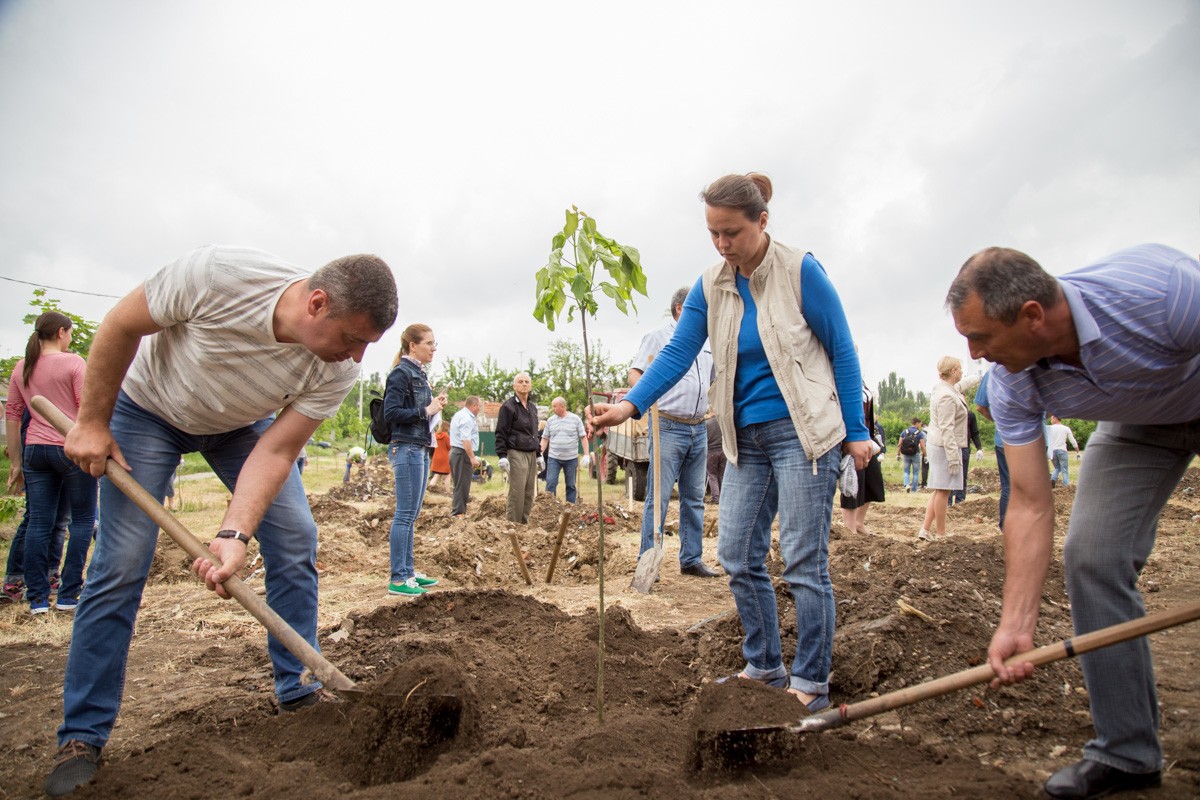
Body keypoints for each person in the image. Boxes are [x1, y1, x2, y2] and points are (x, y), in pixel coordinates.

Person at [47, 245, 397, 797]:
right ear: (316, 303)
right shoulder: (219, 277)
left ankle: (298, 689)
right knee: (122, 562)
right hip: (148, 412)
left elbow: (277, 451)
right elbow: (120, 324)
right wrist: (92, 421)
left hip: (241, 426)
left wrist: (234, 535)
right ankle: (81, 736)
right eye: (352, 338)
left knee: (296, 537)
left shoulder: (338, 369)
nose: (357, 355)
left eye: (366, 345)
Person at [590, 172, 871, 712]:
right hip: (745, 438)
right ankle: (764, 666)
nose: (722, 244)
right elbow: (677, 353)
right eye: (713, 233)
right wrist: (629, 405)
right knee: (737, 553)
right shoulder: (711, 284)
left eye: (732, 232)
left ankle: (811, 683)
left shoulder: (799, 271)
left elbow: (842, 348)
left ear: (762, 222)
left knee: (803, 560)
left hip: (802, 432)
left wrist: (856, 432)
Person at [947, 243, 1200, 800]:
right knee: (1092, 558)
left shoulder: (1165, 293)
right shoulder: (1013, 381)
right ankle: (1127, 753)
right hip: (1139, 426)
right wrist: (1016, 623)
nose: (974, 353)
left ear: (1032, 316)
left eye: (981, 337)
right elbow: (1030, 503)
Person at [4, 312, 97, 616]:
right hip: (70, 449)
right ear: (60, 332)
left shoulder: (22, 366)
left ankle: (38, 599)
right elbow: (87, 410)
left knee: (39, 523)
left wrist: (16, 462)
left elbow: (13, 415)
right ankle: (69, 594)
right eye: (69, 332)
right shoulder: (74, 363)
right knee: (82, 521)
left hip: (35, 451)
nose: (69, 337)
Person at [627, 287, 717, 577]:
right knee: (659, 497)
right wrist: (648, 394)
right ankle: (648, 561)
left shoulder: (707, 340)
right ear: (681, 308)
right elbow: (635, 373)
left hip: (698, 427)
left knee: (694, 498)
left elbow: (713, 379)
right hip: (667, 426)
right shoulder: (659, 337)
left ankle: (691, 559)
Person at [382, 325, 444, 598]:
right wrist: (425, 410)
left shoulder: (418, 373)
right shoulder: (401, 373)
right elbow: (391, 413)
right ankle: (398, 577)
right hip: (406, 447)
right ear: (412, 345)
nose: (433, 348)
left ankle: (408, 571)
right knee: (405, 514)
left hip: (419, 446)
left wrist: (433, 407)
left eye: (434, 343)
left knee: (412, 514)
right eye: (429, 343)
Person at [3, 409, 69, 604]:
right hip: (37, 447)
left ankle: (50, 574)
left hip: (67, 446)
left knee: (60, 520)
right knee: (36, 518)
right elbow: (13, 413)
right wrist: (17, 459)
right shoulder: (31, 392)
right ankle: (15, 579)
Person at [918, 356, 979, 540]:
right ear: (953, 371)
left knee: (939, 489)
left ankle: (925, 530)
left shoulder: (945, 388)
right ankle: (941, 532)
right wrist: (953, 457)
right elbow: (947, 429)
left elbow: (961, 385)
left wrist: (979, 377)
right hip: (944, 447)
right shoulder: (946, 396)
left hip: (941, 445)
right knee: (944, 490)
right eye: (960, 369)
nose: (962, 372)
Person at [495, 372, 540, 524]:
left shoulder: (532, 408)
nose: (524, 384)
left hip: (531, 453)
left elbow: (534, 433)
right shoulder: (508, 407)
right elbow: (501, 432)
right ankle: (512, 525)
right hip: (516, 452)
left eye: (527, 381)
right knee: (517, 492)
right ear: (514, 386)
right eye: (520, 381)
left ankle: (524, 524)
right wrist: (502, 455)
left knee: (529, 492)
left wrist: (539, 454)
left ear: (531, 386)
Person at [840, 381, 884, 535]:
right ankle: (849, 527)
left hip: (866, 437)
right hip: (849, 437)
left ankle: (858, 522)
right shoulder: (842, 377)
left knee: (873, 479)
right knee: (852, 482)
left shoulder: (861, 381)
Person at [974, 370, 1010, 528]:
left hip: (1004, 437)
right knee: (1032, 486)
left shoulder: (994, 371)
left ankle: (1006, 527)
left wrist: (998, 419)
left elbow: (980, 406)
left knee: (1008, 485)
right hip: (1033, 436)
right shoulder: (1035, 362)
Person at [540, 397, 589, 503]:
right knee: (551, 482)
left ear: (562, 406)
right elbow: (545, 439)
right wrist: (539, 454)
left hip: (571, 459)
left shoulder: (575, 419)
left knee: (571, 484)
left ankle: (570, 506)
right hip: (554, 458)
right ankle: (550, 505)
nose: (552, 409)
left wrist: (586, 454)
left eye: (554, 406)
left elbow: (583, 437)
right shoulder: (550, 421)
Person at [449, 396, 482, 516]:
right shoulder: (466, 418)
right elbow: (465, 439)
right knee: (462, 484)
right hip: (461, 453)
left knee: (460, 483)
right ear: (474, 405)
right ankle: (458, 513)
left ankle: (459, 511)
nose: (480, 408)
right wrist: (472, 457)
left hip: (458, 452)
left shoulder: (460, 415)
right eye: (479, 406)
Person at [952, 407, 983, 505]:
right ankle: (947, 502)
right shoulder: (950, 412)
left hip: (964, 447)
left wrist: (979, 448)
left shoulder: (969, 415)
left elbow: (974, 433)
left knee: (962, 475)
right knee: (949, 475)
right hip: (951, 447)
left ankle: (960, 502)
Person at [1046, 415, 1080, 488]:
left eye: (1051, 419)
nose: (1051, 420)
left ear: (1055, 418)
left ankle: (1052, 479)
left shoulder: (1049, 428)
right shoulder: (1066, 428)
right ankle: (1066, 486)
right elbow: (1073, 441)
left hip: (1052, 451)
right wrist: (1077, 452)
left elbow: (1046, 440)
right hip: (1062, 450)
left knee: (1057, 468)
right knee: (1064, 469)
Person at [896, 417, 927, 493]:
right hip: (915, 454)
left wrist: (898, 454)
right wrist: (925, 455)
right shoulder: (920, 433)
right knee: (915, 472)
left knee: (906, 471)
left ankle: (907, 485)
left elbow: (899, 444)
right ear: (917, 423)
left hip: (906, 454)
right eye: (920, 424)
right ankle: (914, 490)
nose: (920, 425)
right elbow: (922, 446)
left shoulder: (904, 432)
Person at [704, 412, 725, 503]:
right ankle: (723, 497)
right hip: (723, 452)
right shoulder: (723, 423)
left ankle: (715, 498)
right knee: (721, 475)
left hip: (711, 451)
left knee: (712, 475)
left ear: (711, 412)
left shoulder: (707, 424)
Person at [428, 419, 451, 492]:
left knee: (436, 474)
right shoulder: (446, 436)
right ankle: (447, 491)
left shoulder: (435, 435)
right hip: (444, 458)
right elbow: (449, 447)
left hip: (436, 457)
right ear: (447, 427)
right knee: (448, 475)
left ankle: (430, 487)